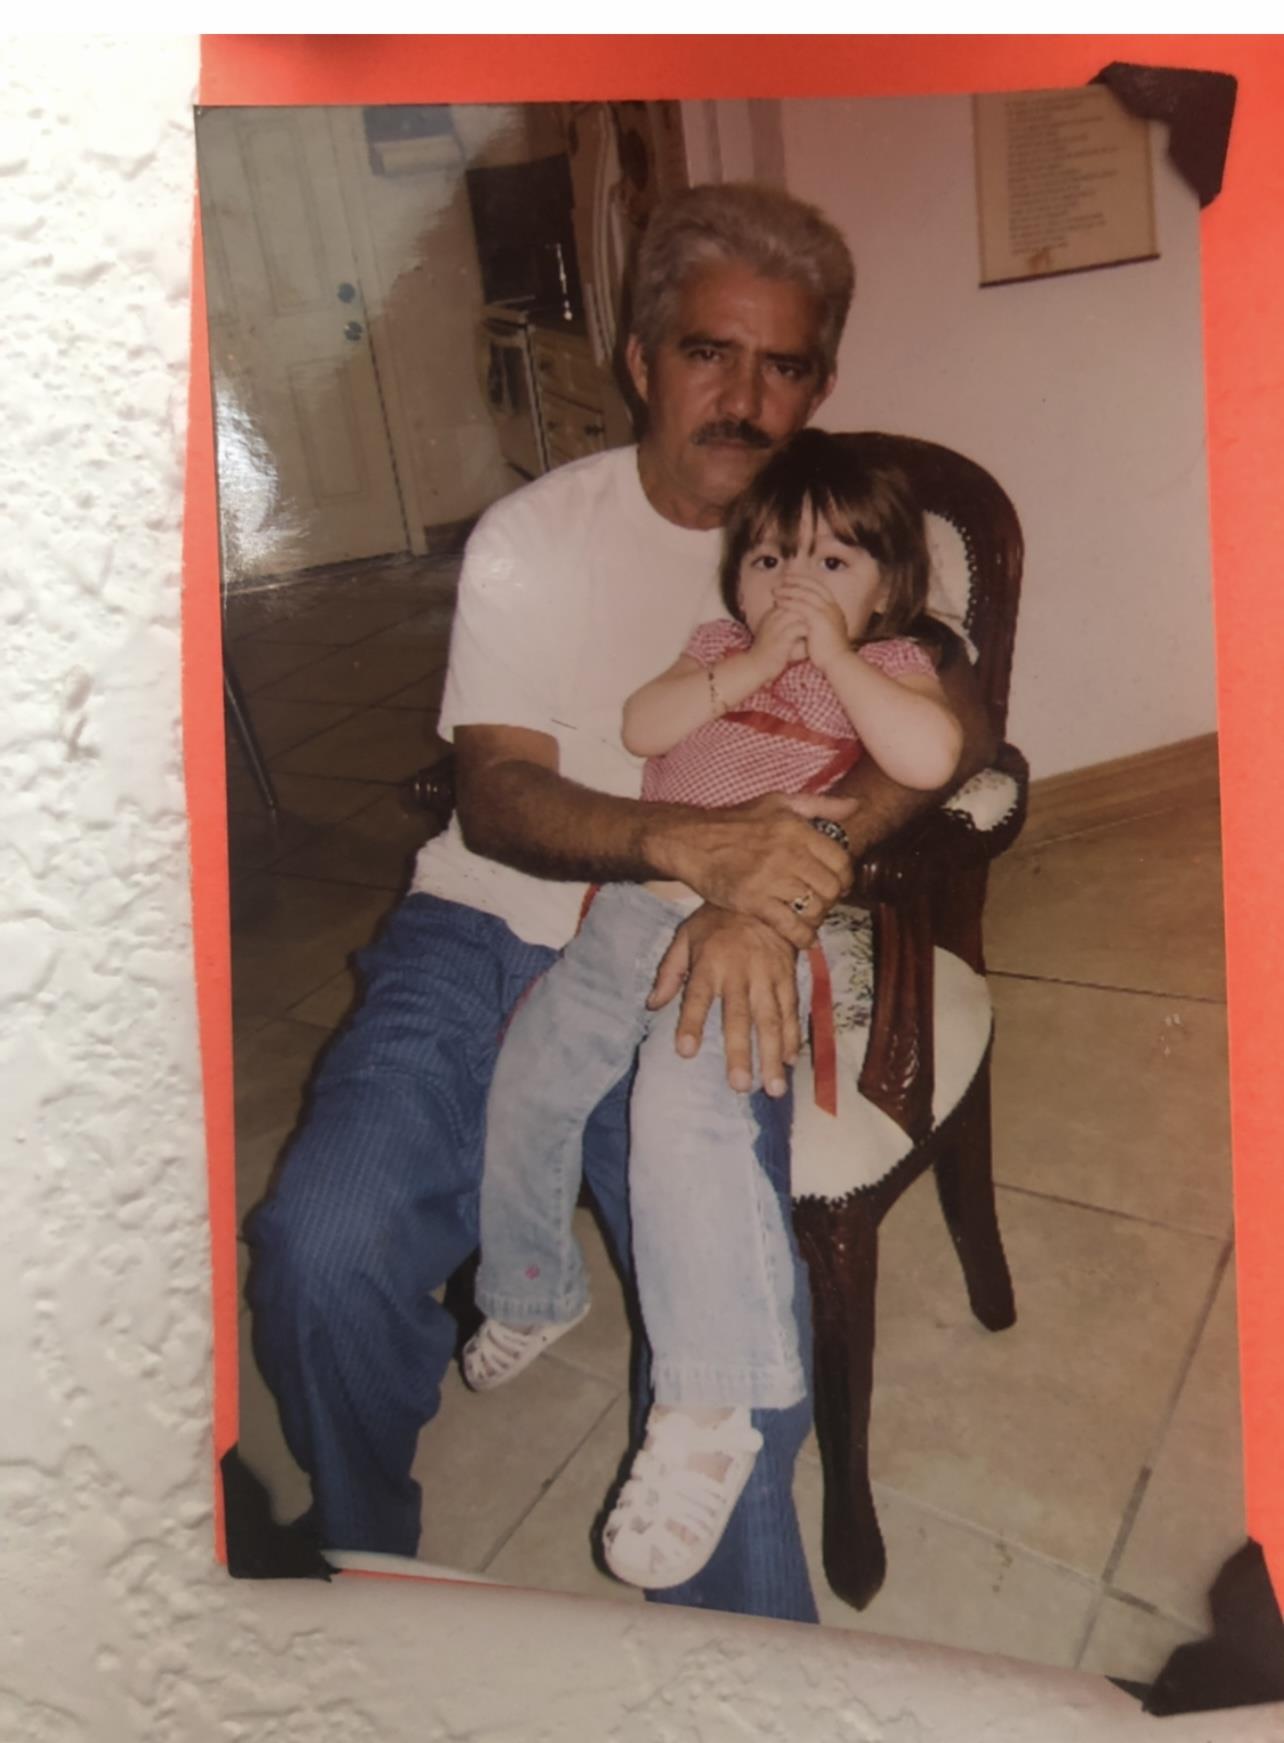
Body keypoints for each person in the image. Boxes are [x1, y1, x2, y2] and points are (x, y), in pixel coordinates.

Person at [246, 181, 995, 1623]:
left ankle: (739, 1677)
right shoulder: (533, 536)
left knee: (725, 1342)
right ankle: (366, 1574)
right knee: (317, 1248)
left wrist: (771, 884)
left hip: (699, 944)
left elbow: (946, 711)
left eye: (784, 365)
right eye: (712, 351)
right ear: (644, 358)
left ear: (820, 383)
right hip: (488, 923)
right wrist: (694, 846)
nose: (746, 396)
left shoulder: (848, 525)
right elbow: (498, 799)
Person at [463, 430, 962, 1591]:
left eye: (832, 562)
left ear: (886, 587)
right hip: (640, 905)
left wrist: (836, 660)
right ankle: (533, 1282)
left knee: (682, 1112)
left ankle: (710, 1405)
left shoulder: (891, 664)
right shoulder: (712, 649)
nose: (791, 585)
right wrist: (744, 667)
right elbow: (643, 731)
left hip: (763, 929)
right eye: (769, 558)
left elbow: (930, 757)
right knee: (532, 1070)